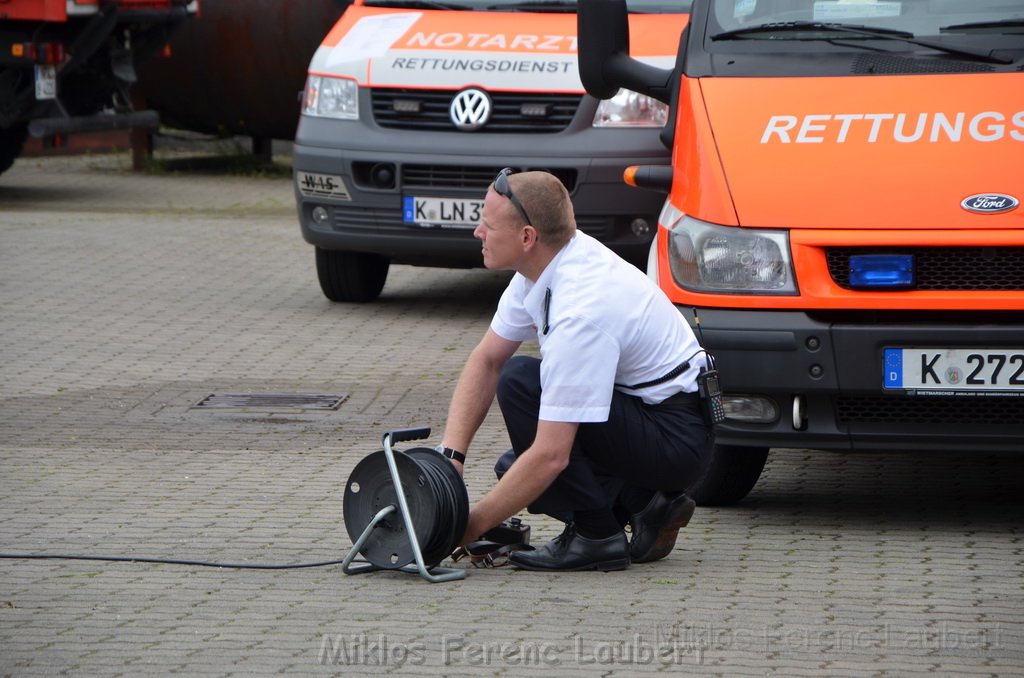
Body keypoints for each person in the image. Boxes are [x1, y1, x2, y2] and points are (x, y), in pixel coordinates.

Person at [439, 168, 714, 571]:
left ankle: (597, 536)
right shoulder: (546, 262)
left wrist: (463, 528)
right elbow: (487, 359)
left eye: (487, 224)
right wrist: (451, 461)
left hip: (674, 436)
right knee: (512, 468)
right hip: (650, 418)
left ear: (527, 237)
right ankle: (647, 504)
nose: (478, 232)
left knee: (522, 389)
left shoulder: (579, 309)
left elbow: (552, 455)